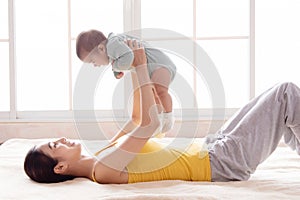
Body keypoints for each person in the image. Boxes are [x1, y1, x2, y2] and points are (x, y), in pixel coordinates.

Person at [24, 41, 300, 184]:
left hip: (213, 146)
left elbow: (135, 120)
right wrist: (142, 66)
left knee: (280, 105)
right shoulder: (104, 170)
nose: (60, 139)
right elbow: (149, 125)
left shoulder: (104, 152)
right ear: (60, 167)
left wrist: (132, 68)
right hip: (222, 162)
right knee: (285, 94)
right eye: (54, 145)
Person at [76, 29, 176, 137]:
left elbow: (129, 57)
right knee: (154, 97)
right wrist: (117, 70)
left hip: (161, 65)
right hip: (153, 69)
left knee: (161, 92)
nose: (95, 65)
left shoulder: (112, 45)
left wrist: (115, 67)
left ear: (101, 48)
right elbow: (125, 59)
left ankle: (169, 117)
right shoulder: (113, 48)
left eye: (92, 61)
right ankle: (160, 119)